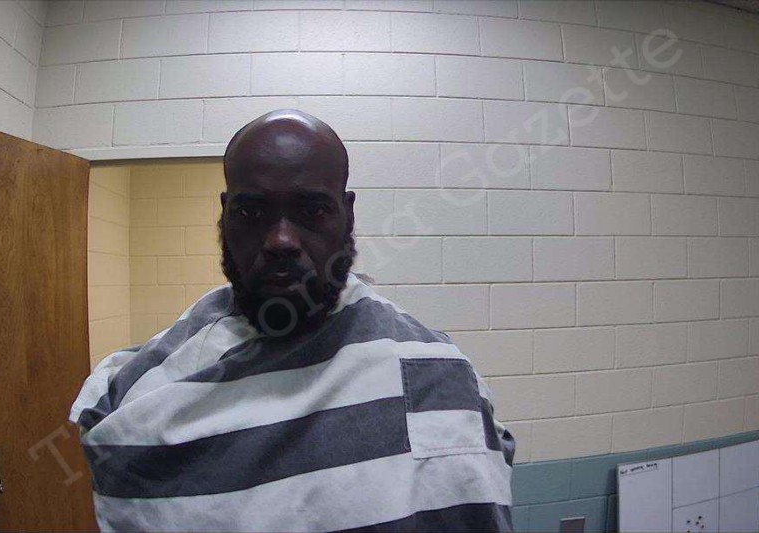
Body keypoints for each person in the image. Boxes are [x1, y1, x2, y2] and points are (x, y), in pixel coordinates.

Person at [69, 109, 515, 532]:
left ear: (347, 214)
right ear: (225, 214)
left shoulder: (438, 377)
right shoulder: (139, 390)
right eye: (252, 211)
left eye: (312, 210)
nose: (281, 240)